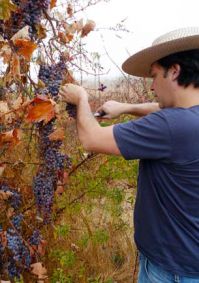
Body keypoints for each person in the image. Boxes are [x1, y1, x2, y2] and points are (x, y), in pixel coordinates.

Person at [59, 27, 199, 283]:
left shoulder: (172, 126)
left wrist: (81, 98)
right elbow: (161, 108)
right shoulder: (189, 119)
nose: (152, 87)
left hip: (171, 272)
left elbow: (91, 138)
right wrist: (127, 107)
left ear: (175, 71)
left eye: (155, 76)